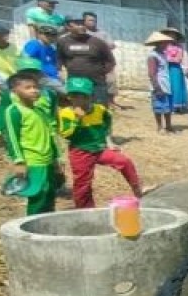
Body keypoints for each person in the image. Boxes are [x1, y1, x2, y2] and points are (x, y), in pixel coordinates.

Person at [57, 76, 141, 209]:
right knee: (82, 183)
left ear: (90, 96)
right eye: (75, 96)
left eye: (83, 96)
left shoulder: (100, 110)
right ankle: (85, 210)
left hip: (99, 149)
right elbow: (66, 134)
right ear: (69, 97)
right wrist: (77, 120)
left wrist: (109, 142)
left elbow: (107, 123)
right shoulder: (66, 113)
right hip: (80, 151)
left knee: (124, 162)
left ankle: (138, 191)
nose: (79, 100)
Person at [1, 66, 62, 215]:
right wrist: (19, 161)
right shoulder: (14, 111)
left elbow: (48, 135)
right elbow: (12, 138)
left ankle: (48, 225)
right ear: (14, 90)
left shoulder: (39, 110)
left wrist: (55, 159)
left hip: (47, 159)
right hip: (33, 160)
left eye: (36, 87)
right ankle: (32, 226)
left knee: (49, 194)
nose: (34, 90)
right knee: (37, 196)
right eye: (28, 88)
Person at [56, 15, 116, 105]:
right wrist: (65, 69)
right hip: (75, 82)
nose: (81, 27)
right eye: (77, 25)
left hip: (96, 82)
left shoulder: (97, 42)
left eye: (82, 24)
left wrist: (100, 72)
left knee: (99, 107)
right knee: (77, 107)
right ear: (68, 27)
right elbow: (59, 58)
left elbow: (110, 61)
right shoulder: (63, 42)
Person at [144, 31, 175, 133]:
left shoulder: (163, 55)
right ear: (158, 43)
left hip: (166, 84)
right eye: (164, 43)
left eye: (167, 43)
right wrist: (157, 87)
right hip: (159, 84)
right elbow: (152, 73)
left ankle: (169, 126)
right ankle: (159, 127)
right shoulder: (153, 56)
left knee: (167, 107)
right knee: (158, 107)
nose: (166, 45)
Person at [22, 22, 61, 91]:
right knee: (68, 93)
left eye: (53, 35)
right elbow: (25, 62)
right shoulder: (34, 44)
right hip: (41, 78)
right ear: (40, 34)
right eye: (47, 34)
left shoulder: (51, 48)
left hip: (54, 79)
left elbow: (54, 65)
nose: (50, 37)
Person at [162, 29, 188, 113]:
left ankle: (178, 106)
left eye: (173, 35)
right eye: (170, 35)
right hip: (166, 67)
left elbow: (181, 57)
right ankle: (169, 106)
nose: (171, 37)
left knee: (177, 86)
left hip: (176, 68)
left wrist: (185, 67)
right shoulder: (164, 46)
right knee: (167, 86)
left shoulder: (179, 47)